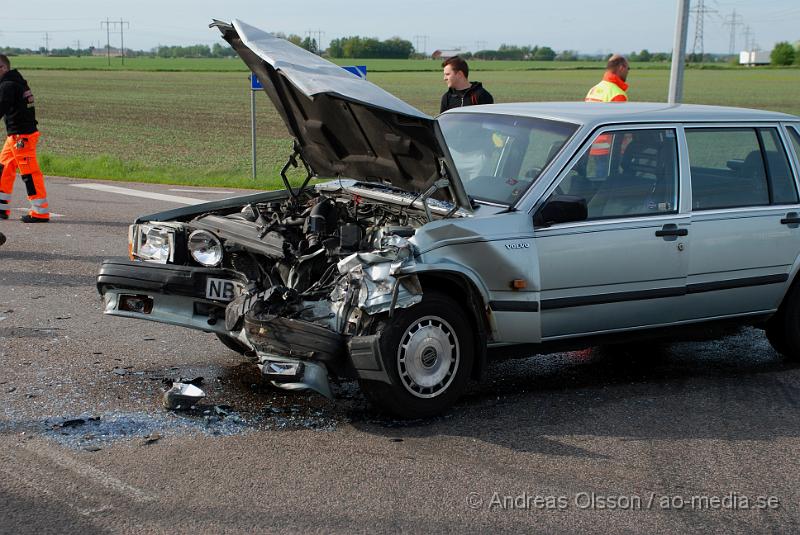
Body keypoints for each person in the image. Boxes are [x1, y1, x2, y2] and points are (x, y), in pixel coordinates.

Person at [0, 54, 49, 222]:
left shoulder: (8, 85)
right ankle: (2, 209)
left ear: (3, 68)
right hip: (15, 135)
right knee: (4, 168)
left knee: (29, 174)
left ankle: (40, 212)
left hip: (22, 137)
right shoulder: (18, 81)